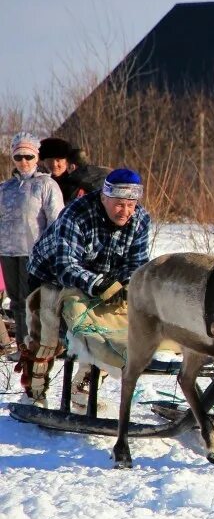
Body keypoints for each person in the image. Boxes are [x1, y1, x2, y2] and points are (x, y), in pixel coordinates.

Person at [26, 169, 151, 405]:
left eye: (130, 204)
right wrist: (98, 283)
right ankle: (35, 391)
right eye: (119, 204)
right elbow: (65, 265)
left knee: (108, 330)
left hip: (103, 278)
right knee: (48, 335)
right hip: (50, 274)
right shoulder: (77, 214)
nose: (125, 211)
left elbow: (137, 264)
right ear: (104, 198)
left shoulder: (141, 220)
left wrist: (126, 285)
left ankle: (83, 388)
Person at [0, 133, 64, 394]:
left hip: (34, 254)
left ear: (37, 158)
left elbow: (56, 222)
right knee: (15, 302)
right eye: (18, 156)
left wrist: (52, 256)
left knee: (32, 303)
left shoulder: (46, 185)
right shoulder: (5, 188)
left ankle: (37, 347)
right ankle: (23, 347)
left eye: (28, 156)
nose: (23, 161)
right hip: (8, 251)